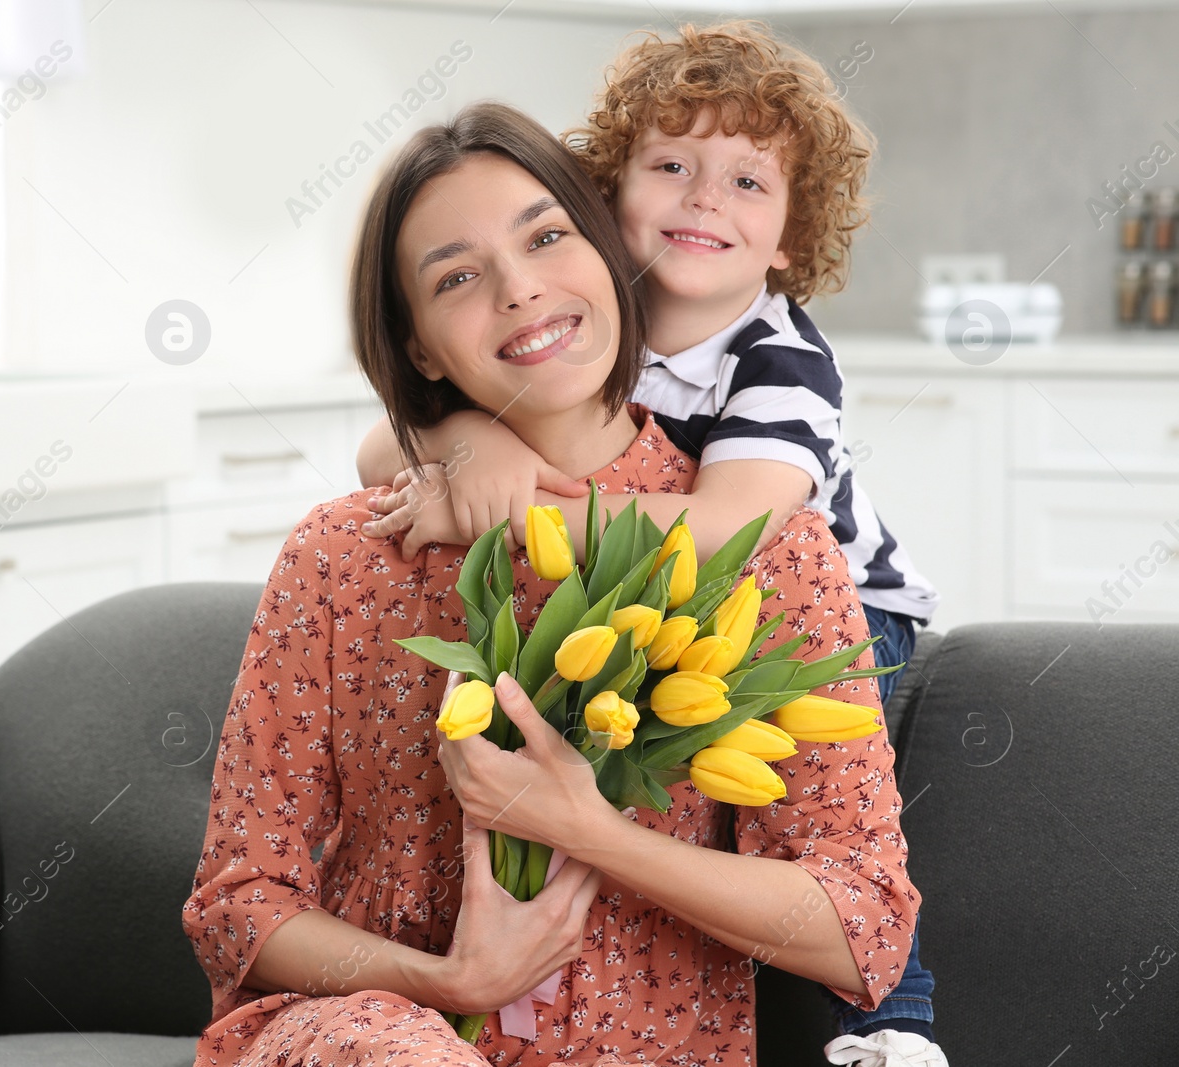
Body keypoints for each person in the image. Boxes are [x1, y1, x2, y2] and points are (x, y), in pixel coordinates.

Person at [182, 100, 917, 1067]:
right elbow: (239, 909)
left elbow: (861, 929)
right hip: (372, 1038)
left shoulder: (764, 550)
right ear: (418, 347)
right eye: (457, 277)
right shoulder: (341, 555)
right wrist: (449, 985)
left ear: (611, 255)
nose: (521, 290)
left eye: (546, 237)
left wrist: (586, 829)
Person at [354, 23, 942, 1064]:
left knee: (838, 788)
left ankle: (888, 1020)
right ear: (605, 201)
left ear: (791, 242)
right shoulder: (579, 322)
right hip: (663, 600)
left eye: (747, 184)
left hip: (845, 602)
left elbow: (725, 530)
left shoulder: (779, 359)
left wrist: (513, 516)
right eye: (670, 165)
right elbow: (375, 449)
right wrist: (462, 439)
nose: (703, 198)